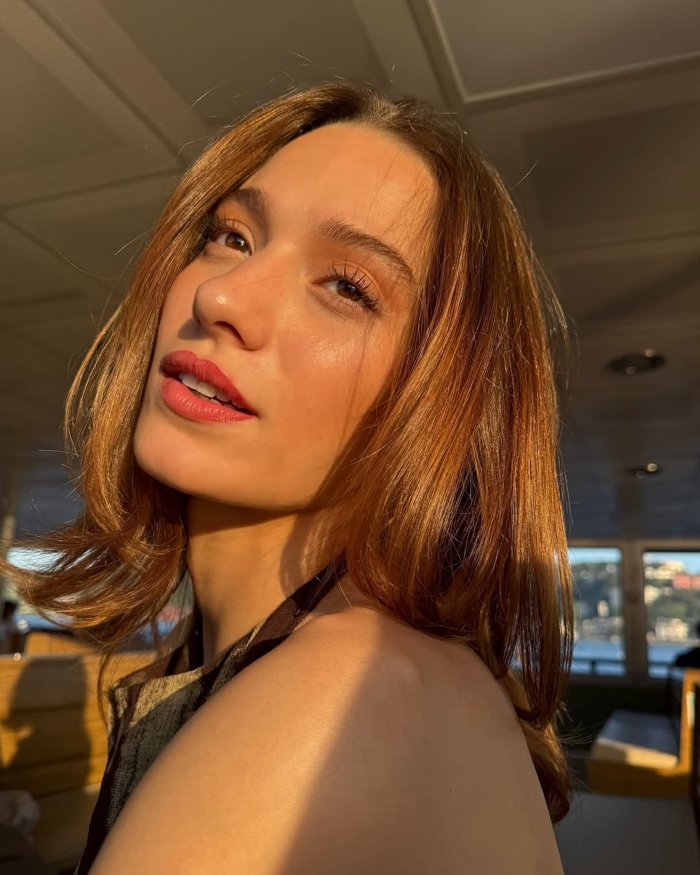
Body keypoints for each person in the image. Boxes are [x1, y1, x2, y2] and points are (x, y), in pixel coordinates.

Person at [1, 81, 574, 874]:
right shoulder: (369, 670)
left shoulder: (341, 697)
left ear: (443, 405)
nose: (221, 295)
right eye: (231, 236)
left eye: (347, 287)